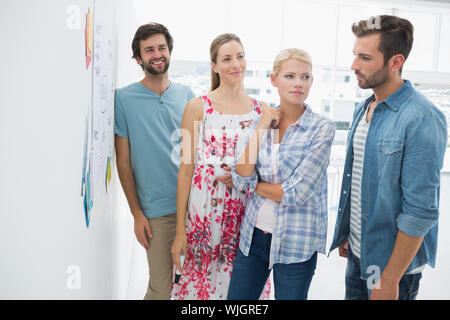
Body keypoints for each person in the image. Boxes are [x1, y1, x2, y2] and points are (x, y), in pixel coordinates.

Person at [329, 15, 448, 300]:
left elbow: (420, 211)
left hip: (390, 270)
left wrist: (389, 279)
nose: (354, 65)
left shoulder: (422, 117)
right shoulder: (364, 107)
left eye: (365, 57)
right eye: (355, 55)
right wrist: (348, 231)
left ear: (395, 62)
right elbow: (357, 178)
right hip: (359, 253)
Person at [227, 48, 336, 300]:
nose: (298, 83)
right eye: (290, 76)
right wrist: (262, 126)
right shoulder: (260, 120)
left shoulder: (321, 129)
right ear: (274, 80)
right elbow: (240, 174)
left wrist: (250, 184)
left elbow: (295, 193)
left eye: (305, 77)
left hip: (296, 241)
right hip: (253, 237)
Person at [171, 33, 271, 300]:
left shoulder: (262, 110)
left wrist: (242, 176)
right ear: (214, 66)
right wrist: (180, 231)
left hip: (245, 213)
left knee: (240, 290)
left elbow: (268, 165)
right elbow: (185, 170)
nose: (236, 64)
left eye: (240, 56)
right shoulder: (197, 107)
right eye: (227, 58)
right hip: (203, 214)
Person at [114, 23, 195, 300]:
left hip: (194, 205)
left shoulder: (187, 97)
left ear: (169, 51)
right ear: (138, 58)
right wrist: (137, 213)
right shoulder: (123, 99)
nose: (157, 54)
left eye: (161, 47)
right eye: (149, 50)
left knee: (193, 286)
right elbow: (123, 162)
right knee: (161, 289)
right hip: (157, 212)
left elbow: (197, 153)